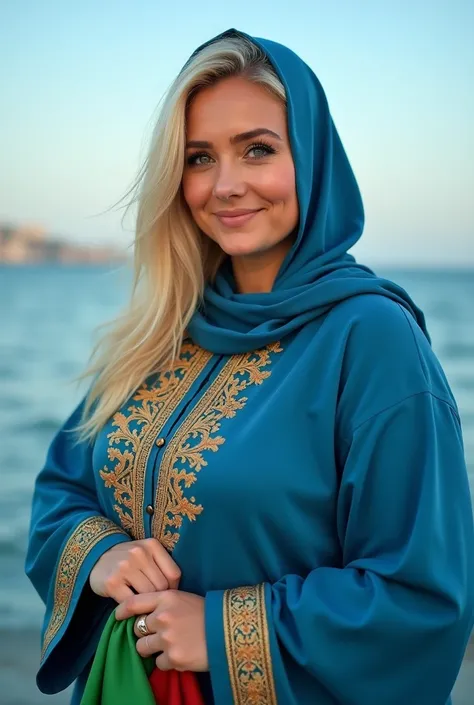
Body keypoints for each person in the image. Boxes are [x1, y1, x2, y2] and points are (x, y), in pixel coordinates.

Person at [26, 28, 474, 705]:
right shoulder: (164, 329)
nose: (226, 186)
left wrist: (222, 629)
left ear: (314, 157)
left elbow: (422, 592)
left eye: (257, 150)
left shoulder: (372, 338)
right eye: (200, 157)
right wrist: (100, 555)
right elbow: (64, 485)